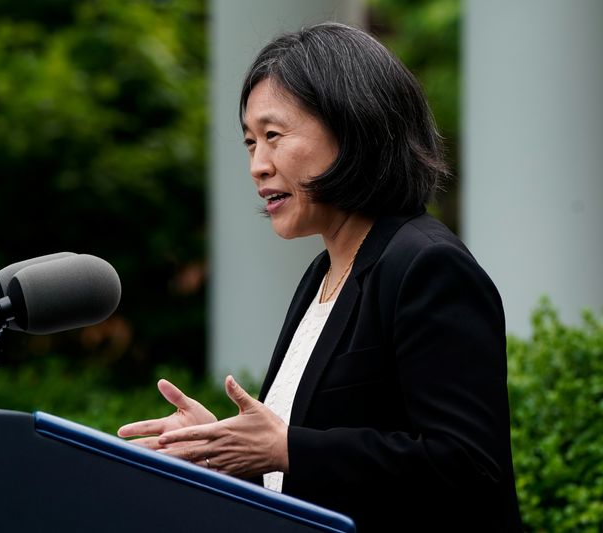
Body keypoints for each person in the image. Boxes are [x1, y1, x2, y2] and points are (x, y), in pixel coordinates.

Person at [118, 22, 522, 532]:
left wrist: (286, 447)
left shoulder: (426, 265)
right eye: (249, 143)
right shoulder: (321, 275)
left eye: (273, 135)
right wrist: (224, 448)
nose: (257, 166)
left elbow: (468, 466)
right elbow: (309, 474)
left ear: (353, 128)